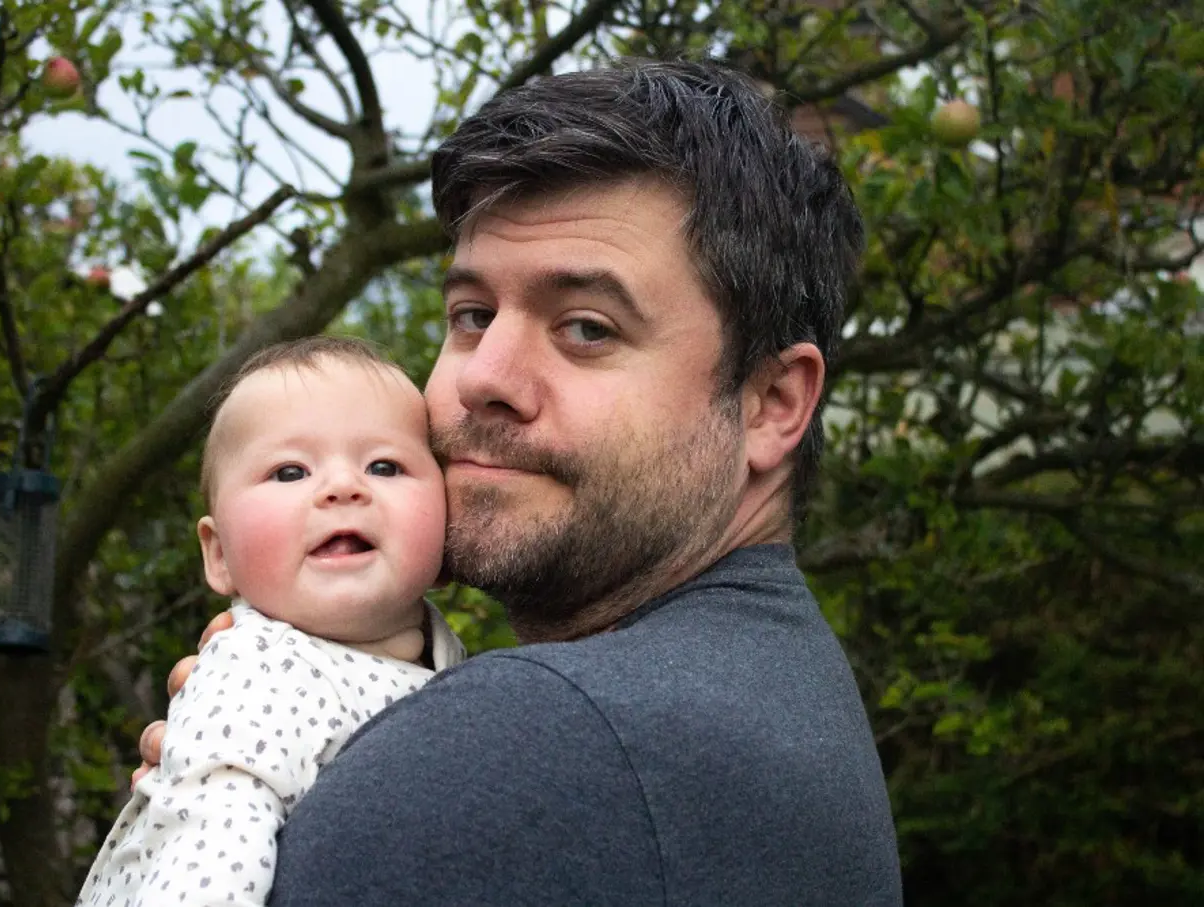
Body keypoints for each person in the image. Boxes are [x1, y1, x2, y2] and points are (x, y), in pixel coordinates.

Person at [142, 59, 903, 904]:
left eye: (586, 327)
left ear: (770, 403)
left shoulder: (533, 740)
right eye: (471, 315)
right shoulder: (777, 690)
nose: (483, 377)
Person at [77, 337, 465, 907]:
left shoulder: (447, 660)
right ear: (220, 556)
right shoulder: (255, 673)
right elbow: (208, 849)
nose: (343, 486)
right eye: (289, 472)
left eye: (385, 465)